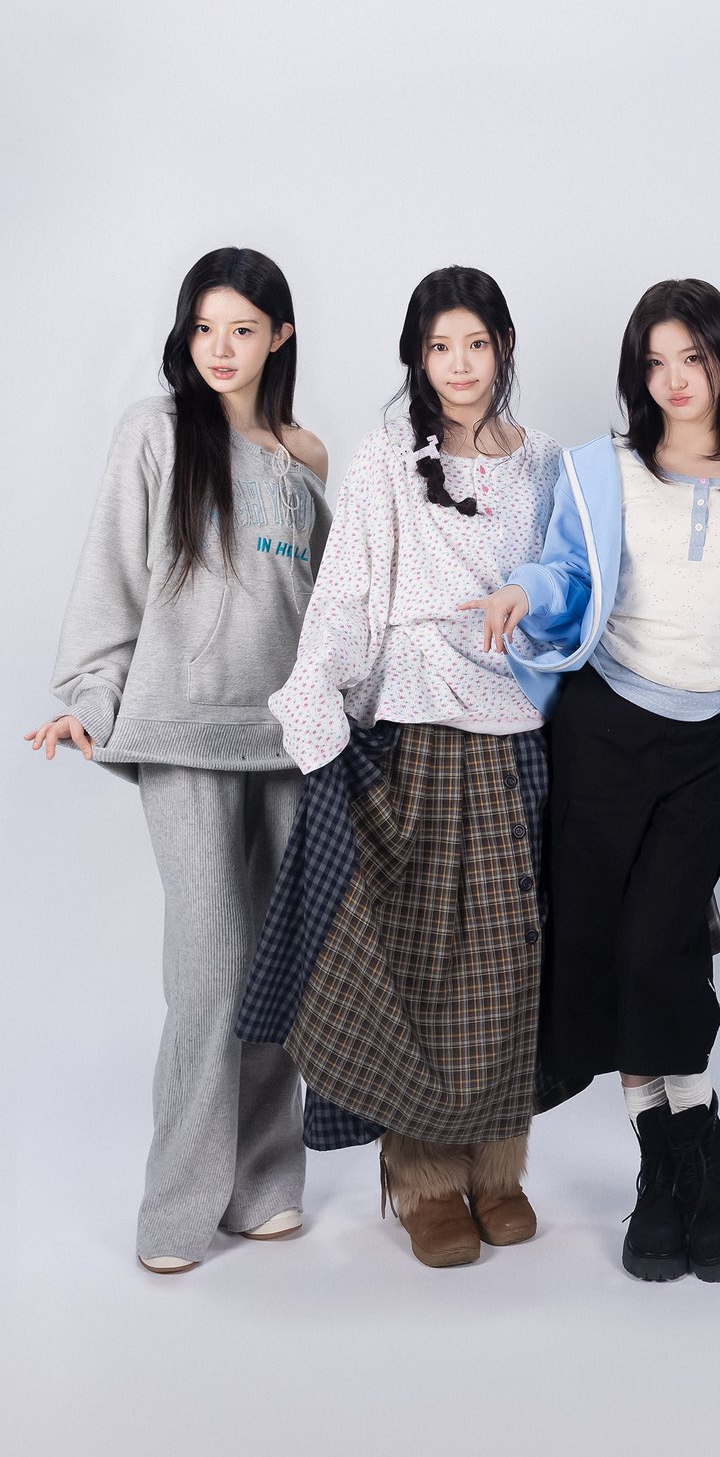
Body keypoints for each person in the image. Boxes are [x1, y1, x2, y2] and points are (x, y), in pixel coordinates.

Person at [469, 278, 720, 1284]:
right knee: (605, 944)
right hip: (605, 726)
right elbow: (569, 571)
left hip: (710, 735)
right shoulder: (599, 470)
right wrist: (524, 587)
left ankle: (700, 1145)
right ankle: (664, 1164)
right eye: (654, 363)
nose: (673, 380)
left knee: (663, 940)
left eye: (691, 358)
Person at [240, 266, 562, 1269]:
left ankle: (499, 1167)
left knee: (510, 959)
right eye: (438, 347)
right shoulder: (387, 457)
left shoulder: (547, 462)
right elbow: (345, 593)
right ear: (417, 358)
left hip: (516, 729)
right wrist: (315, 700)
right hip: (414, 729)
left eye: (475, 343)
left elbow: (572, 592)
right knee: (420, 961)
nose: (458, 365)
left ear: (504, 346)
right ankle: (421, 1178)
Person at [26, 247, 330, 1274]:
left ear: (279, 336)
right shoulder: (155, 432)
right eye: (204, 327)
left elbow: (328, 610)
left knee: (280, 968)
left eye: (242, 329)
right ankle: (176, 1206)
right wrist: (89, 699)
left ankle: (265, 1183)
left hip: (289, 743)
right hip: (183, 736)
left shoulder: (304, 456)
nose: (219, 348)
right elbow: (111, 580)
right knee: (209, 971)